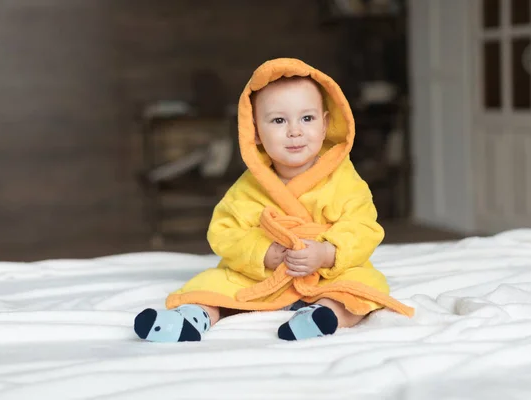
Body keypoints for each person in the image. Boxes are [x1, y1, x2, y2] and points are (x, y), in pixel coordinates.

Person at [134, 58, 414, 342]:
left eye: (307, 118)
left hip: (325, 272)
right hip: (265, 274)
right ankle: (192, 317)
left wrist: (327, 253)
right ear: (255, 131)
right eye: (279, 120)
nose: (295, 131)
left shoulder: (344, 180)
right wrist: (262, 252)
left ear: (326, 124)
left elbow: (364, 226)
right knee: (212, 282)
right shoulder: (248, 187)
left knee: (363, 286)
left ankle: (322, 316)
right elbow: (224, 232)